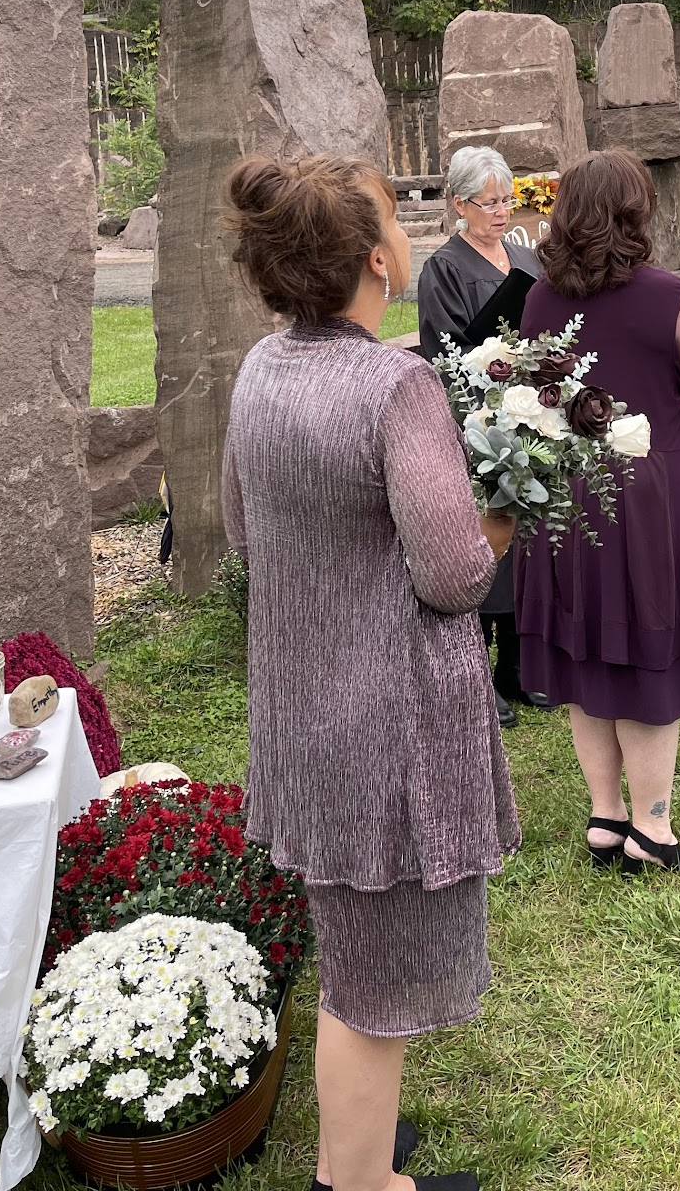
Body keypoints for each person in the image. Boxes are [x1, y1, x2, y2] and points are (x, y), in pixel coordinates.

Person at [222, 152, 520, 1191]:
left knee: (352, 955)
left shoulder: (261, 368)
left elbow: (244, 534)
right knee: (373, 991)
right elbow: (452, 576)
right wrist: (503, 520)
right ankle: (357, 1184)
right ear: (374, 261)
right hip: (386, 724)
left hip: (300, 709)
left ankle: (355, 1160)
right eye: (395, 221)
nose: (406, 236)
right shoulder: (397, 387)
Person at [516, 148, 680, 873]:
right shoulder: (664, 294)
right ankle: (653, 830)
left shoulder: (539, 299)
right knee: (651, 658)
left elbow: (534, 393)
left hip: (568, 497)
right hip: (652, 500)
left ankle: (606, 817)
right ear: (635, 213)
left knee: (587, 652)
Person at [418, 145, 545, 728]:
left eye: (506, 200)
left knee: (528, 531)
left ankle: (518, 666)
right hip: (475, 418)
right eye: (488, 202)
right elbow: (443, 350)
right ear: (459, 204)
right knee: (485, 536)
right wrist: (486, 375)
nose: (501, 212)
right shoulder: (444, 268)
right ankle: (477, 670)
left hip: (531, 412)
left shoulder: (525, 256)